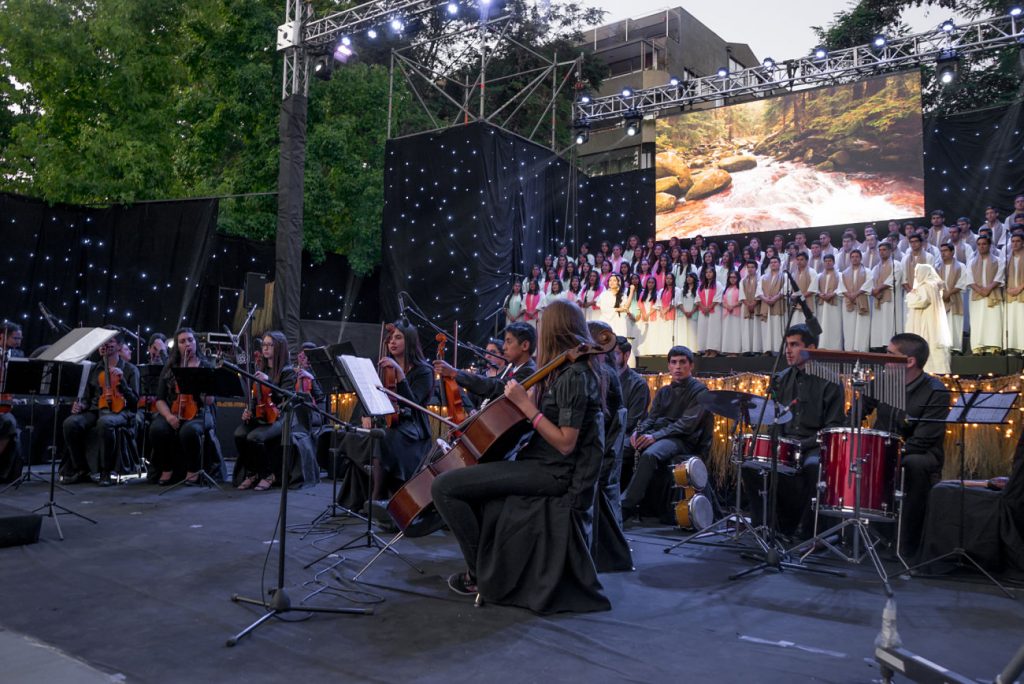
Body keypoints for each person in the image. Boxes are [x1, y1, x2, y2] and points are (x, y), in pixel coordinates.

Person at [431, 300, 608, 610]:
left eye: (542, 326)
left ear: (554, 330)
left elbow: (566, 443)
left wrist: (527, 406)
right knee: (471, 487)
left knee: (444, 488)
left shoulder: (575, 377)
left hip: (554, 471)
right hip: (539, 463)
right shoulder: (562, 370)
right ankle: (492, 568)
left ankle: (479, 575)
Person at [742, 325, 844, 538]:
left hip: (814, 446)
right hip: (785, 443)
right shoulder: (780, 378)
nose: (788, 351)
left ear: (812, 349)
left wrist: (803, 445)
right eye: (787, 345)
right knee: (751, 463)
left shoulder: (831, 382)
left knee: (813, 466)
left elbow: (832, 427)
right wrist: (775, 443)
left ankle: (807, 532)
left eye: (795, 345)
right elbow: (773, 419)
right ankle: (766, 528)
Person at [865, 333, 950, 554]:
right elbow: (856, 412)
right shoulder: (882, 382)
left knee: (911, 464)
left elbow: (923, 439)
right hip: (885, 447)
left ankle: (906, 544)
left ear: (910, 361)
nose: (885, 359)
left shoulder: (935, 390)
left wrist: (887, 452)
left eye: (890, 354)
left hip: (918, 453)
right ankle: (865, 534)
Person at [620, 346, 709, 517]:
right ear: (668, 366)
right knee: (620, 448)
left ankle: (626, 506)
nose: (678, 367)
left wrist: (654, 436)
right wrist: (638, 433)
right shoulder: (664, 391)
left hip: (684, 440)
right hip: (662, 436)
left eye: (682, 362)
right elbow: (651, 419)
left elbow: (685, 425)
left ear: (691, 366)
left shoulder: (699, 391)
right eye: (673, 362)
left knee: (650, 455)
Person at [366, 321, 435, 501]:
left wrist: (401, 376)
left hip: (414, 427)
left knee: (385, 437)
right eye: (390, 339)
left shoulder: (424, 371)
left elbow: (413, 405)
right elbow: (371, 393)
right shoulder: (385, 368)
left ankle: (378, 495)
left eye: (398, 337)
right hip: (390, 422)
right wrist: (366, 414)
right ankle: (357, 499)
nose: (392, 342)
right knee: (354, 436)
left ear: (410, 341)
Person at [61, 334, 140, 486]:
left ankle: (106, 471)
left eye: (109, 341)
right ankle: (81, 469)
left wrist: (122, 382)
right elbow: (86, 398)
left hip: (121, 411)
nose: (104, 345)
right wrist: (81, 406)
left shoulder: (130, 369)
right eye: (101, 342)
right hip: (95, 409)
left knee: (105, 422)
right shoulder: (93, 369)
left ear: (118, 346)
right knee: (70, 423)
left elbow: (134, 402)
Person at [149, 328, 214, 486]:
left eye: (190, 340)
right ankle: (167, 468)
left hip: (199, 412)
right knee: (157, 429)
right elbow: (160, 399)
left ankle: (192, 470)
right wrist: (169, 417)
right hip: (173, 410)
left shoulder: (204, 365)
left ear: (195, 343)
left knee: (188, 431)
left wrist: (200, 384)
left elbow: (210, 400)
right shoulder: (169, 367)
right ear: (177, 346)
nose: (187, 344)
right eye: (183, 341)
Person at [234, 331, 296, 491]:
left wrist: (269, 382)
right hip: (261, 414)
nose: (265, 348)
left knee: (255, 437)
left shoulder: (287, 371)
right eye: (264, 345)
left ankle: (268, 474)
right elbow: (256, 396)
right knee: (239, 435)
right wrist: (249, 410)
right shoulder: (259, 367)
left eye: (270, 345)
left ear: (279, 348)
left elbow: (286, 397)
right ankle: (253, 472)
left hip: (279, 417)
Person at [434, 322, 537, 408]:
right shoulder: (515, 368)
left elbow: (493, 386)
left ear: (525, 345)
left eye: (508, 342)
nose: (504, 347)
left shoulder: (528, 371)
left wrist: (455, 372)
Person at [906, 264, 952, 375]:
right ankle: (939, 369)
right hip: (931, 319)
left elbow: (922, 301)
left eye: (917, 273)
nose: (916, 276)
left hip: (926, 319)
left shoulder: (925, 286)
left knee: (927, 340)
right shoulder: (933, 285)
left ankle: (929, 368)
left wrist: (910, 295)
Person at [967, 235, 1005, 353]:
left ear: (989, 245)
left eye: (984, 244)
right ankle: (978, 346)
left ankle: (994, 345)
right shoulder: (972, 262)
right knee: (977, 320)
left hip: (993, 293)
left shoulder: (998, 261)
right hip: (977, 295)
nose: (981, 246)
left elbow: (999, 277)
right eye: (979, 244)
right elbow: (969, 279)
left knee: (993, 320)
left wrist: (988, 289)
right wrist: (980, 290)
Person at [837, 249, 873, 352]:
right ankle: (849, 349)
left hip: (862, 299)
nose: (854, 259)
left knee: (862, 325)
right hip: (849, 300)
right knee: (849, 326)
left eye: (857, 256)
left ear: (861, 258)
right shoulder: (844, 273)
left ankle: (861, 349)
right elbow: (841, 287)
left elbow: (868, 284)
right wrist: (849, 295)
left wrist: (856, 294)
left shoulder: (867, 271)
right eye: (852, 257)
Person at [869, 242, 902, 350]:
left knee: (889, 321)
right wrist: (874, 290)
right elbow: (871, 281)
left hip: (890, 298)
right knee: (879, 322)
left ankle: (889, 345)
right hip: (878, 298)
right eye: (880, 250)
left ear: (890, 251)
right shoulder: (875, 267)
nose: (882, 252)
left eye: (884, 250)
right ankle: (879, 345)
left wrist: (878, 289)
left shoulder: (896, 264)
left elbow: (893, 279)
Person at [937, 243, 968, 354]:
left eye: (945, 250)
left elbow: (962, 282)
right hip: (941, 299)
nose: (943, 253)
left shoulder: (961, 266)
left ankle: (955, 348)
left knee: (955, 322)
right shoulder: (937, 267)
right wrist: (942, 293)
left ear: (952, 252)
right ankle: (943, 347)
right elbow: (935, 283)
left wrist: (949, 293)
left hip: (956, 298)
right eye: (941, 251)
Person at [759, 255, 786, 353]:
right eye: (771, 262)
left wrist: (775, 298)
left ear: (779, 264)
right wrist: (766, 299)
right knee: (767, 328)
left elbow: (785, 288)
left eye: (775, 262)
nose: (773, 264)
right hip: (766, 304)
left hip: (778, 303)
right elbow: (759, 291)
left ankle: (779, 349)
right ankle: (767, 349)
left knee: (777, 327)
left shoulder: (784, 275)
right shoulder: (764, 277)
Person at [816, 254, 842, 350]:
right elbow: (815, 288)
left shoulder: (839, 275)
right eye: (826, 261)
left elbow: (841, 288)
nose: (828, 263)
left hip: (834, 304)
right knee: (822, 325)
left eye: (830, 261)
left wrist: (832, 294)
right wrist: (820, 294)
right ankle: (822, 345)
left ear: (834, 262)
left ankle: (835, 347)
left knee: (834, 325)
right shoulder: (819, 276)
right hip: (822, 304)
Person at [696, 265, 722, 357]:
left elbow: (717, 298)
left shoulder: (718, 284)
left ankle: (713, 350)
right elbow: (698, 298)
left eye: (710, 272)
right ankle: (706, 350)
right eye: (706, 272)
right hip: (703, 310)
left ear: (714, 274)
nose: (708, 274)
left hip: (714, 310)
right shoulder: (701, 285)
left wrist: (709, 307)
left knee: (713, 330)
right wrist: (703, 307)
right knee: (704, 330)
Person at [739, 260, 762, 354]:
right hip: (746, 306)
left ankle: (757, 350)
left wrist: (754, 303)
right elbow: (741, 294)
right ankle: (747, 349)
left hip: (757, 305)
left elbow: (760, 292)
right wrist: (748, 304)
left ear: (756, 268)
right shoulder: (743, 280)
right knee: (746, 328)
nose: (750, 269)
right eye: (748, 267)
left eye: (752, 267)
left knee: (756, 327)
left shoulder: (760, 279)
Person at [1007, 232, 1024, 355]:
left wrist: (1020, 288)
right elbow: (1004, 276)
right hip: (1010, 294)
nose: (1015, 244)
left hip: (1021, 292)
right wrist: (1008, 289)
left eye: (1017, 241)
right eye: (1013, 241)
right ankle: (1013, 348)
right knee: (1013, 321)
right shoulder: (1007, 258)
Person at [720, 270, 742, 356]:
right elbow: (722, 300)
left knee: (735, 331)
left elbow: (741, 300)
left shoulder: (739, 288)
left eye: (734, 277)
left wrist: (732, 306)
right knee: (727, 331)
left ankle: (735, 351)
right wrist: (727, 306)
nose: (732, 279)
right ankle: (729, 350)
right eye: (731, 277)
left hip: (735, 312)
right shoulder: (726, 289)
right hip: (727, 312)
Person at [678, 272, 699, 350]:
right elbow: (679, 302)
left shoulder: (697, 290)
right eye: (687, 277)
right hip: (684, 314)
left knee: (693, 332)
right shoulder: (683, 290)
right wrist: (685, 312)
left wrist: (692, 312)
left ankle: (694, 349)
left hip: (694, 314)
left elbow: (698, 302)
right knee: (684, 332)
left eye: (691, 277)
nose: (689, 278)